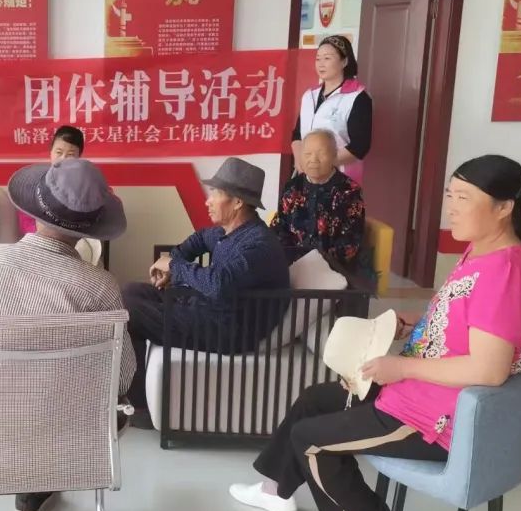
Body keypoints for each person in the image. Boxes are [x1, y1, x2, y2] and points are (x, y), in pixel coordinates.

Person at [230, 154, 521, 511]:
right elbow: (471, 323)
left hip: (436, 419)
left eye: (464, 198)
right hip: (421, 394)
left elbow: (489, 368)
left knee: (310, 441)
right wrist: (421, 323)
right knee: (314, 400)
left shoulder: (504, 273)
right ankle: (275, 490)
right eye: (450, 194)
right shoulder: (485, 250)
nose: (451, 207)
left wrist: (401, 366)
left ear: (503, 208)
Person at [0, 158, 134, 511]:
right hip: (68, 436)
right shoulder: (99, 286)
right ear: (91, 228)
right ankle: (38, 483)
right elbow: (122, 378)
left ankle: (29, 486)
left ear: (32, 210)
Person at [122, 158, 290, 420]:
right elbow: (201, 238)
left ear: (237, 202)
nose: (207, 201)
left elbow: (219, 283)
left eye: (216, 194)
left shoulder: (259, 245)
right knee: (131, 291)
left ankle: (140, 407)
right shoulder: (230, 231)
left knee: (129, 310)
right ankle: (134, 392)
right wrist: (173, 262)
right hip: (206, 311)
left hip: (227, 331)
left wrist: (175, 266)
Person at [272, 130, 366, 266]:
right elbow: (280, 227)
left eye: (321, 153)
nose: (313, 159)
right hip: (292, 264)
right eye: (307, 154)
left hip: (332, 267)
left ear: (334, 155)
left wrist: (317, 263)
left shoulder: (349, 191)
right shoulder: (292, 187)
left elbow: (350, 242)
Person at [291, 35, 372, 184]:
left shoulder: (357, 97)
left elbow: (360, 146)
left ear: (344, 62)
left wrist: (322, 165)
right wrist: (300, 159)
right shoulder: (309, 96)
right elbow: (297, 134)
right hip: (307, 178)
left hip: (341, 178)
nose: (321, 64)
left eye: (327, 58)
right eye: (318, 59)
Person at [17, 126, 84, 236]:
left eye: (70, 155)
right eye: (59, 152)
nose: (63, 158)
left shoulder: (86, 184)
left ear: (79, 157)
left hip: (74, 238)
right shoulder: (34, 184)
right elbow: (26, 222)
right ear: (51, 152)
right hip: (39, 238)